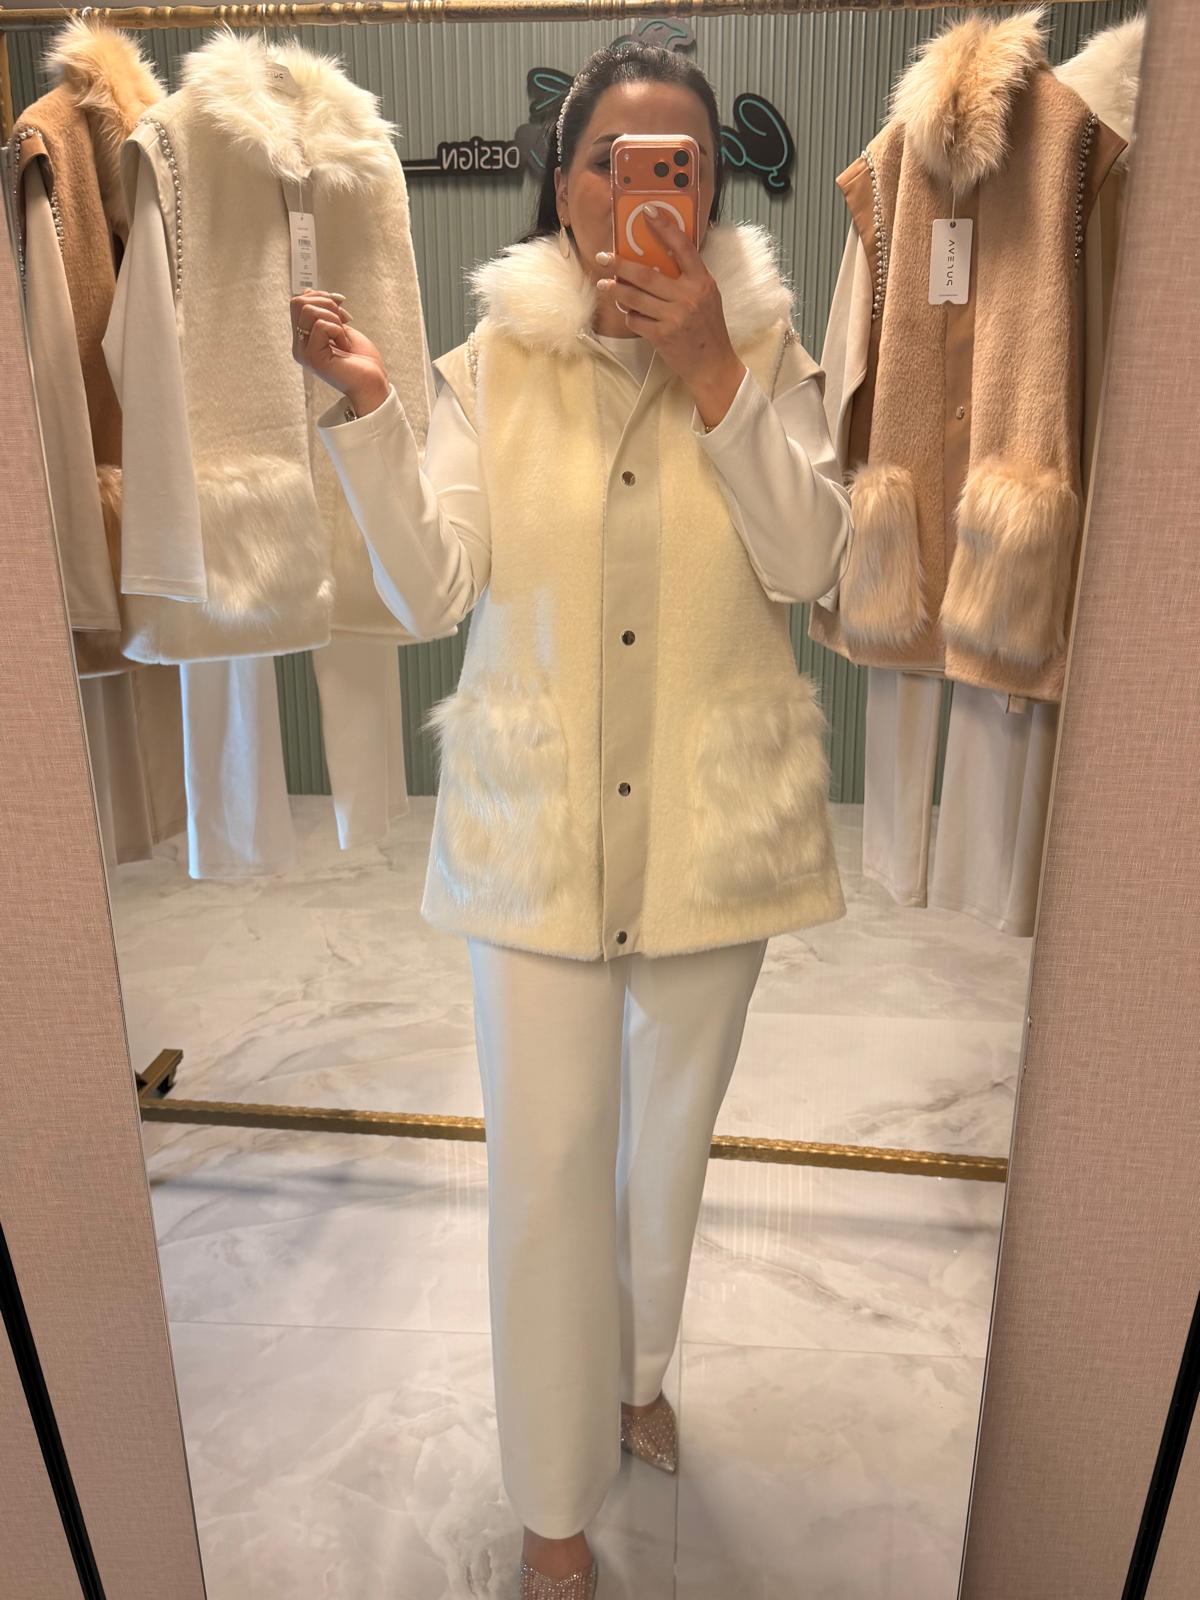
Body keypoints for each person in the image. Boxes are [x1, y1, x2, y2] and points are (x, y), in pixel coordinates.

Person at [293, 41, 851, 1600]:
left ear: (711, 189)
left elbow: (814, 561)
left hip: (713, 826)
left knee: (664, 1151)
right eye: (609, 161)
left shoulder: (771, 352)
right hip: (535, 827)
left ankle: (640, 1374)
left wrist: (717, 373)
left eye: (676, 165)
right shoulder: (490, 369)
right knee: (545, 1175)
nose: (636, 193)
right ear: (562, 179)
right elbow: (431, 589)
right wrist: (371, 412)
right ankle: (552, 1503)